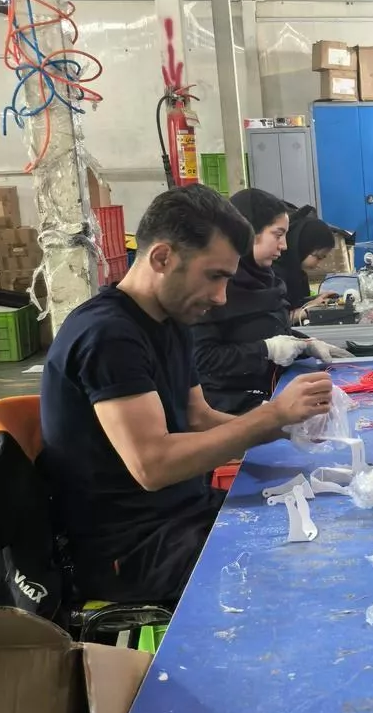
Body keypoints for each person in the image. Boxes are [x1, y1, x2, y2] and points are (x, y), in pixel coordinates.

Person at [41, 187, 336, 604]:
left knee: (323, 523)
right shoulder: (108, 335)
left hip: (182, 513)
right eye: (214, 276)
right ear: (162, 258)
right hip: (132, 548)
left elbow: (198, 417)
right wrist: (270, 416)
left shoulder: (170, 320)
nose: (220, 297)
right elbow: (153, 465)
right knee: (303, 580)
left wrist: (290, 428)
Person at [194, 188, 342, 415]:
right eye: (277, 235)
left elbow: (274, 330)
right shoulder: (214, 287)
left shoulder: (267, 280)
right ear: (248, 232)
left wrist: (305, 345)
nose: (284, 245)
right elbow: (202, 359)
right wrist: (265, 350)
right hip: (229, 409)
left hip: (270, 392)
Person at [280, 205, 339, 317]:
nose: (319, 263)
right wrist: (309, 310)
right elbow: (276, 321)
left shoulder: (297, 274)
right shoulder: (276, 275)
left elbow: (295, 303)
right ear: (303, 248)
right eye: (319, 257)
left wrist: (316, 300)